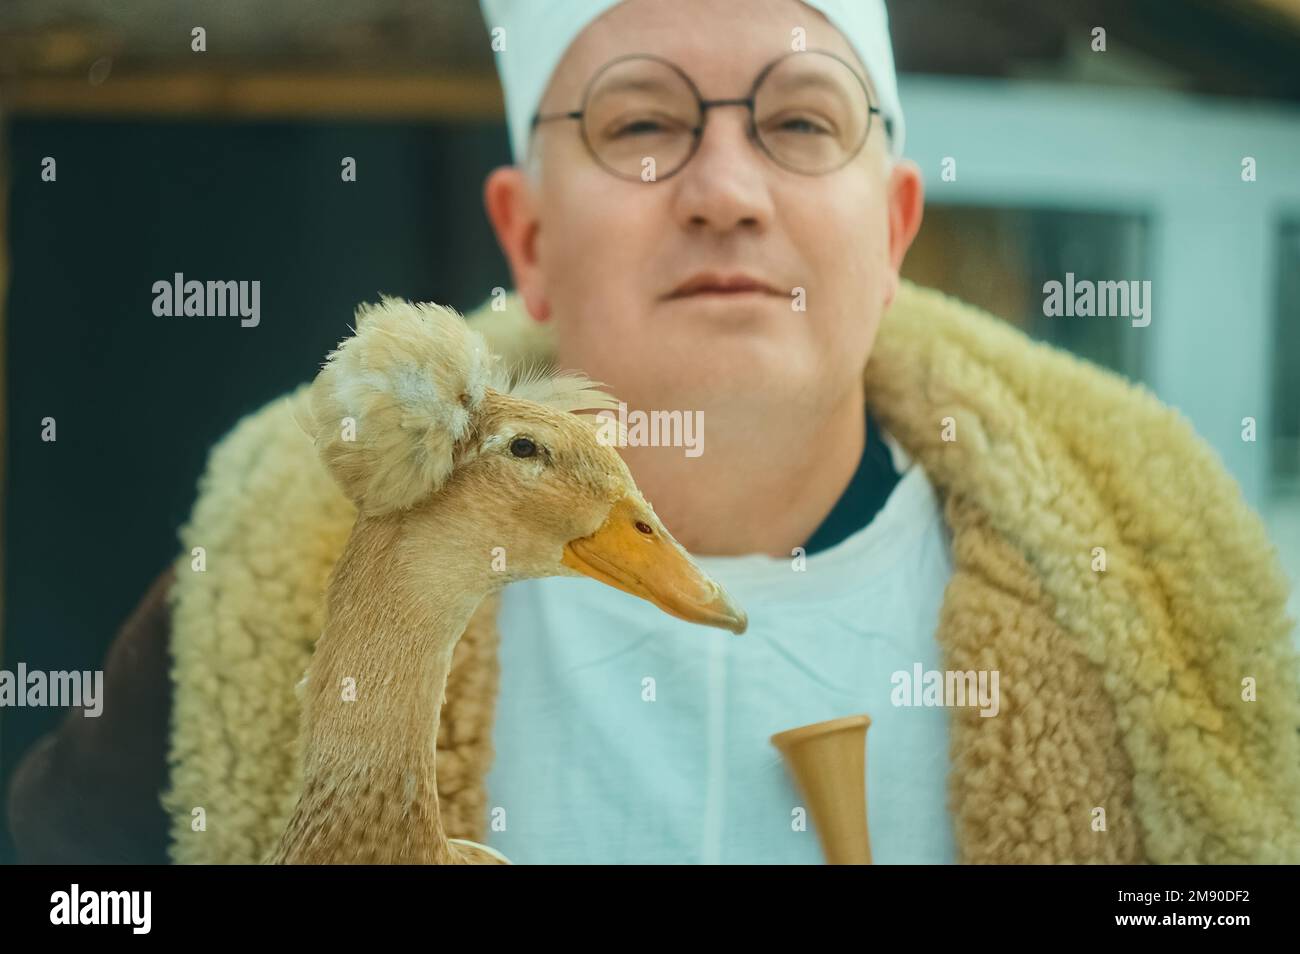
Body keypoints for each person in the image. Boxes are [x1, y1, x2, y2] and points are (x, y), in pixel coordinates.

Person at [9, 0, 1299, 865]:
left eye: (799, 121)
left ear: (896, 228)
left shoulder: (1170, 617)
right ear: (528, 240)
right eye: (640, 124)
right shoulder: (254, 597)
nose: (727, 193)